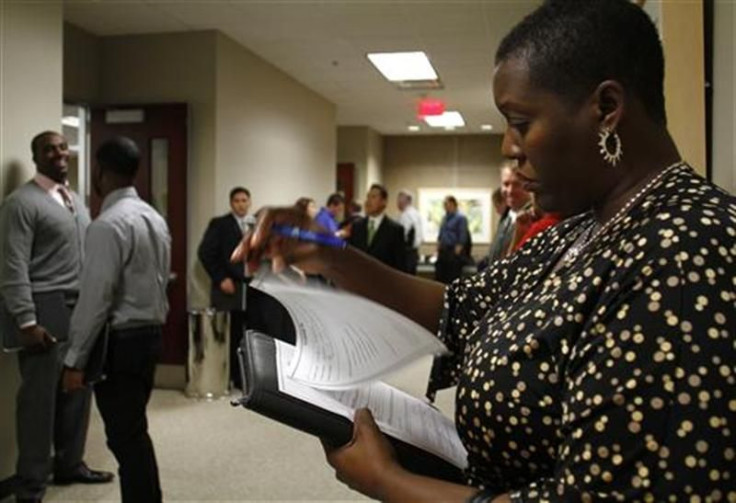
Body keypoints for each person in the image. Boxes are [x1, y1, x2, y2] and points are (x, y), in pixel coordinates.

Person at [235, 0, 736, 500]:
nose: (508, 148)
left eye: (520, 122)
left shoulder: (686, 253)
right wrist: (330, 256)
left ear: (606, 108)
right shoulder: (580, 230)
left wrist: (390, 481)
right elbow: (459, 308)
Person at [0, 131, 113, 503]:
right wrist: (26, 321)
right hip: (44, 306)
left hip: (80, 307)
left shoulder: (74, 199)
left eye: (63, 147)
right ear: (36, 157)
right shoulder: (21, 203)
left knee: (77, 390)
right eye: (49, 149)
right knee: (39, 402)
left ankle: (69, 464)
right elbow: (12, 265)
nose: (59, 153)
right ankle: (31, 485)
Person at [60, 137, 170, 503]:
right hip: (151, 336)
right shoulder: (154, 218)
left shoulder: (107, 225)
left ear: (100, 172)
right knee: (134, 431)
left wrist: (75, 359)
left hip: (121, 343)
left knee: (126, 438)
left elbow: (95, 298)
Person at [197, 187, 255, 388]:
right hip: (229, 287)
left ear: (249, 202)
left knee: (250, 334)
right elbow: (205, 252)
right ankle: (229, 378)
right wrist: (220, 278)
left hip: (252, 287)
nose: (241, 204)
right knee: (231, 334)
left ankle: (246, 379)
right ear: (231, 203)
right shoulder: (220, 224)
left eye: (244, 200)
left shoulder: (255, 225)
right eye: (237, 200)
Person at [348, 184, 408, 272]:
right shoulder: (357, 226)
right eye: (368, 197)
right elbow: (351, 258)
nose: (368, 201)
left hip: (384, 282)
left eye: (373, 197)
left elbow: (400, 266)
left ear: (384, 202)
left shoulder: (395, 230)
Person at [484, 164, 532, 265]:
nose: (510, 191)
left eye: (517, 184)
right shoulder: (506, 218)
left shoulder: (533, 218)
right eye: (506, 184)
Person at [435, 195, 470, 284]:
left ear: (454, 205)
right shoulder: (444, 218)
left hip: (453, 252)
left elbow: (463, 235)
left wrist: (457, 250)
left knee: (452, 279)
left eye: (447, 204)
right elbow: (441, 234)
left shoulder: (461, 218)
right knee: (440, 278)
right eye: (444, 204)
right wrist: (438, 247)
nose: (445, 206)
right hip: (443, 251)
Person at [396, 189, 424, 274]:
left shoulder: (406, 215)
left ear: (407, 200)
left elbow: (401, 236)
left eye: (399, 199)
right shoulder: (416, 213)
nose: (397, 203)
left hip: (406, 253)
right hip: (414, 253)